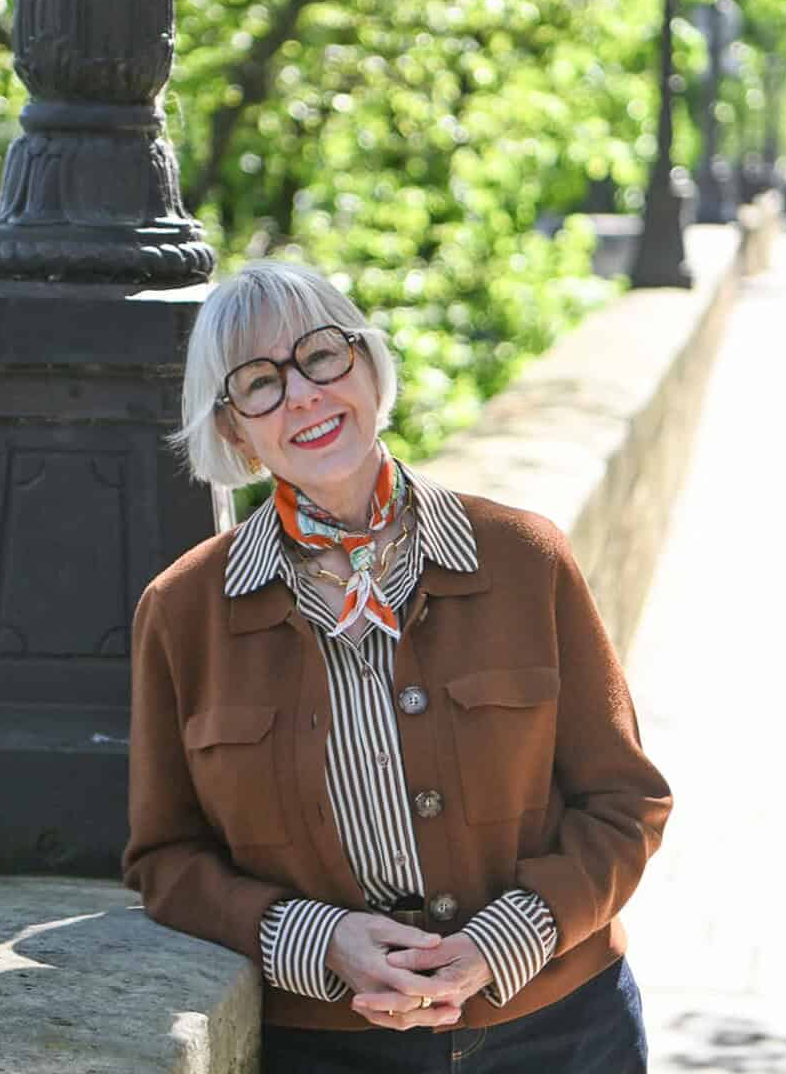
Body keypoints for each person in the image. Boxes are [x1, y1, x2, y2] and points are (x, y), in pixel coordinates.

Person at [122, 259, 671, 1073]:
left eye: (320, 356)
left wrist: (503, 941)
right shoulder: (183, 612)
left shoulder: (525, 560)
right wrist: (315, 941)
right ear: (234, 430)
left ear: (368, 367)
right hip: (328, 1052)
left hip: (562, 1033)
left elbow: (626, 804)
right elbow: (164, 860)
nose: (303, 395)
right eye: (260, 383)